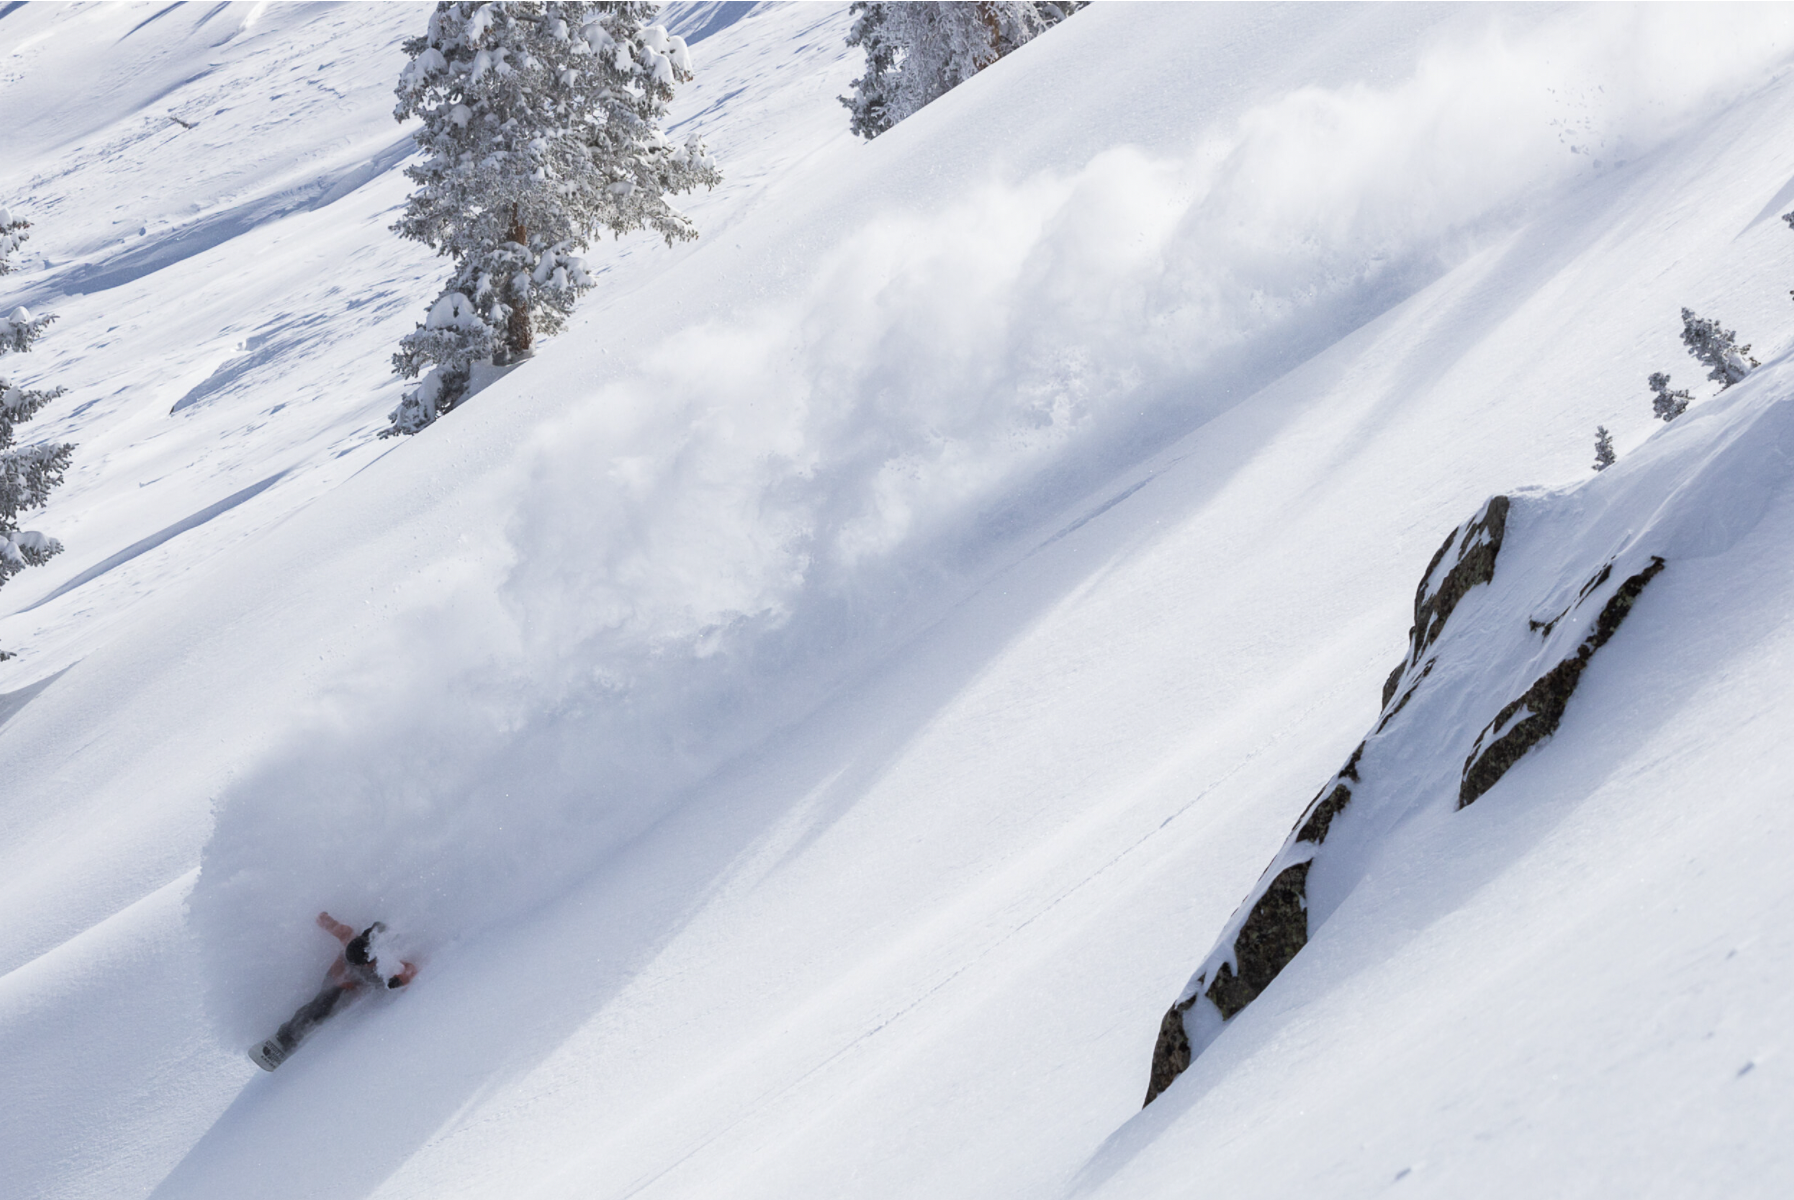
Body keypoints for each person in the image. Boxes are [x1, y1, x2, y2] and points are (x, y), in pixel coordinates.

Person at [249, 912, 418, 1071]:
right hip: (340, 979)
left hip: (355, 983)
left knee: (324, 1006)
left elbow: (408, 970)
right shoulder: (350, 941)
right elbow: (339, 930)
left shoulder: (383, 959)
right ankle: (286, 1037)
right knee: (321, 1003)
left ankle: (292, 1034)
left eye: (360, 964)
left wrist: (396, 981)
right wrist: (325, 920)